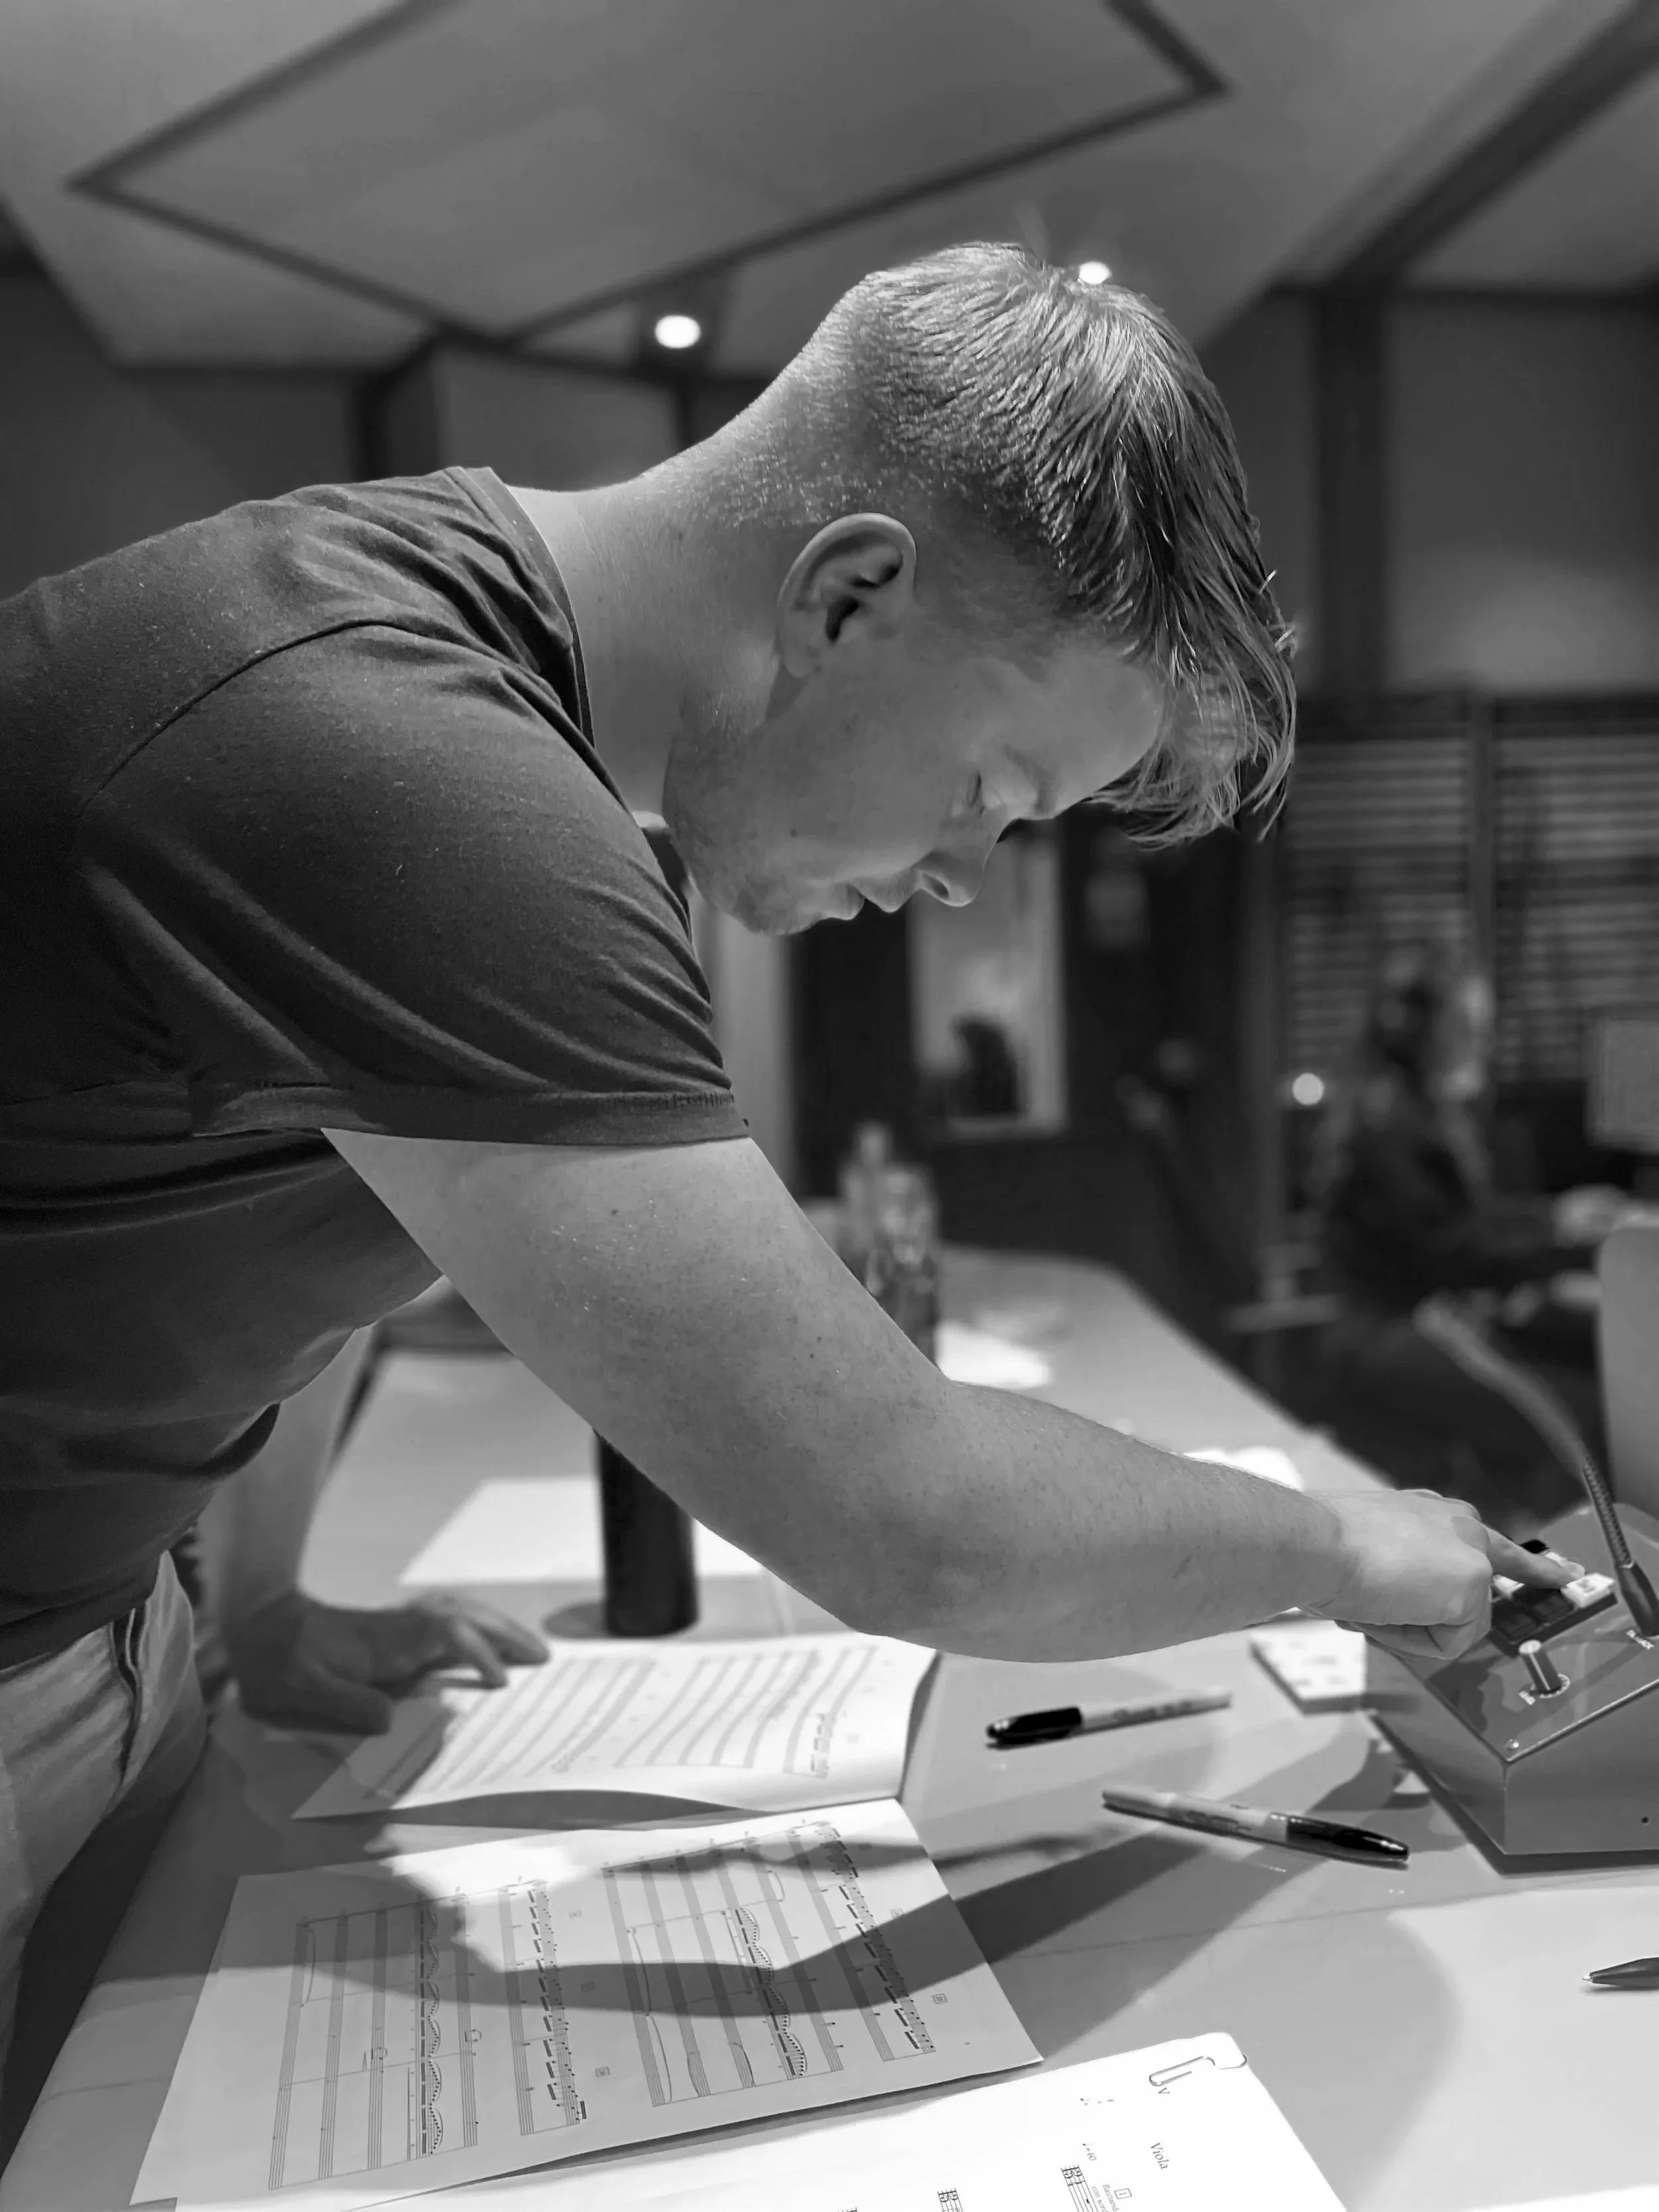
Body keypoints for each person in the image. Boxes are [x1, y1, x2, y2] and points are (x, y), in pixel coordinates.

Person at [0, 245, 1572, 2079]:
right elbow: (901, 1516)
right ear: (846, 595)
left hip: (107, 1634)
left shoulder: (528, 755)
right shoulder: (394, 757)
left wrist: (255, 1607)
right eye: (990, 787)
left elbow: (330, 1193)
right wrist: (1349, 1541)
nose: (962, 875)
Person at [1313, 941, 1628, 1530]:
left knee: (1583, 1390)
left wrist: (1552, 1218)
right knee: (1584, 1425)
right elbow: (1451, 1254)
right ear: (1423, 1028)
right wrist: (1583, 1246)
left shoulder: (1409, 1107)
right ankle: (1554, 1575)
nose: (1482, 1042)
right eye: (1470, 1026)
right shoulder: (1390, 1122)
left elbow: (1458, 1222)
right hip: (1396, 1327)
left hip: (1422, 1316)